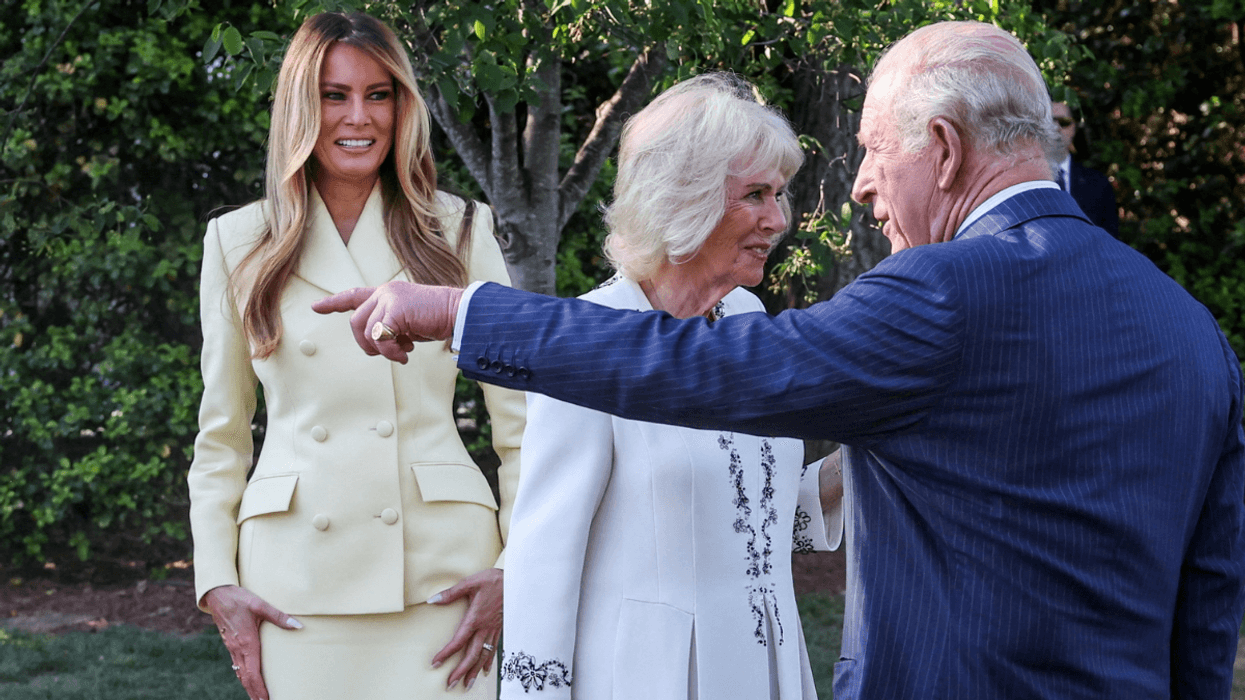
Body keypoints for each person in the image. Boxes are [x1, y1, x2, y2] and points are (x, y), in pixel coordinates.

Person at [316, 20, 1245, 700]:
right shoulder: (1192, 331)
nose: (863, 185)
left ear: (945, 150)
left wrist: (459, 310)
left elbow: (709, 374)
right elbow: (1207, 604)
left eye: (875, 152)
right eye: (760, 191)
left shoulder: (937, 295)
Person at [189, 12, 524, 700]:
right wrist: (217, 581)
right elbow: (221, 438)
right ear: (301, 108)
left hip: (443, 577)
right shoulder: (237, 242)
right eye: (334, 95)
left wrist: (516, 564)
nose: (359, 117)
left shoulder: (459, 230)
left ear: (404, 106)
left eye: (379, 94)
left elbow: (522, 427)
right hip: (295, 582)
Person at [497, 74, 842, 700]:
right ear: (685, 198)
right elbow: (543, 561)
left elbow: (749, 517)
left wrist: (845, 476)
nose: (778, 219)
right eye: (756, 195)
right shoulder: (592, 339)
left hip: (768, 671)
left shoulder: (749, 321)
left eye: (780, 194)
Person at [1051, 101, 1119, 237]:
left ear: (1074, 128)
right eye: (1050, 121)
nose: (1056, 127)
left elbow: (1110, 240)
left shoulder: (1098, 184)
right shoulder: (1022, 181)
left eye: (1064, 122)